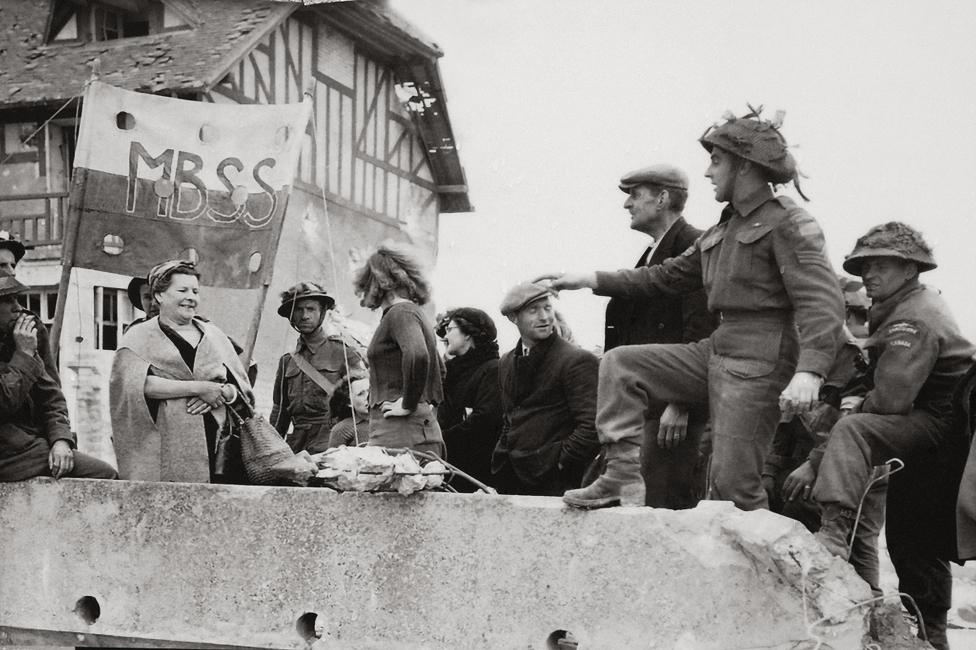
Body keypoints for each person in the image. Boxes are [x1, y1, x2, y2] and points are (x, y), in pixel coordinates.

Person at [539, 107, 844, 510]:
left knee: (733, 487)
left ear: (746, 167)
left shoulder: (788, 222)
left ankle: (770, 568)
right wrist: (590, 279)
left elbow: (821, 299)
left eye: (716, 161)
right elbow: (662, 277)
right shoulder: (723, 229)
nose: (707, 173)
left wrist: (810, 370)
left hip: (761, 359)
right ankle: (620, 478)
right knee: (620, 365)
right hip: (717, 348)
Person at [813, 223, 975, 649]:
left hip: (940, 427)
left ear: (909, 269)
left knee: (854, 430)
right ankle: (930, 637)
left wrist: (857, 406)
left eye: (880, 264)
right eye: (864, 265)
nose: (869, 273)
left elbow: (891, 401)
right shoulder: (904, 304)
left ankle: (834, 529)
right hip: (935, 430)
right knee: (913, 538)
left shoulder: (913, 318)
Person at [601, 164, 717, 509]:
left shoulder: (694, 247)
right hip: (648, 410)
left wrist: (683, 403)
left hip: (671, 415)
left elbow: (703, 331)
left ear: (663, 198)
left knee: (662, 508)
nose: (627, 205)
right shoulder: (653, 254)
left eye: (635, 195)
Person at [110, 260, 253, 483]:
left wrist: (221, 393)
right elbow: (135, 385)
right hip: (165, 441)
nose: (191, 297)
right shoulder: (137, 337)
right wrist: (199, 388)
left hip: (219, 444)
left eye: (195, 291)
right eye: (182, 290)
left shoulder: (214, 335)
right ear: (159, 295)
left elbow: (241, 387)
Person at [0, 271, 118, 481]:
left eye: (16, 299)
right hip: (10, 455)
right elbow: (4, 401)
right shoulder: (23, 347)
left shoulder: (18, 340)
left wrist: (60, 440)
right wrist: (24, 355)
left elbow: (51, 398)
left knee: (105, 474)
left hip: (28, 448)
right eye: (8, 301)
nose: (17, 308)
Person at [491, 283, 600, 496]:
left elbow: (592, 426)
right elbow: (510, 417)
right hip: (511, 477)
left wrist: (559, 462)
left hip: (554, 484)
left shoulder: (576, 360)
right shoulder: (505, 361)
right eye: (534, 310)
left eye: (547, 308)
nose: (544, 317)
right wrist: (503, 455)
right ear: (514, 318)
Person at [353, 243, 445, 456]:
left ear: (379, 281)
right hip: (415, 428)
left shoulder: (400, 312)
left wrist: (407, 403)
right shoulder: (416, 314)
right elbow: (440, 371)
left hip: (398, 429)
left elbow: (418, 355)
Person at [270, 282, 365, 453]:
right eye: (298, 310)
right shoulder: (287, 361)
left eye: (311, 309)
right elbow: (280, 411)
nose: (305, 316)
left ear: (322, 313)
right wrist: (271, 447)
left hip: (333, 442)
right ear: (291, 317)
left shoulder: (342, 352)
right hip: (297, 446)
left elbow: (364, 400)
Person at [435, 307, 503, 491]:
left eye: (450, 330)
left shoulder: (492, 369)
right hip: (451, 467)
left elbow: (485, 419)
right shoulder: (453, 372)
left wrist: (441, 440)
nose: (445, 337)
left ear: (467, 334)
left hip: (476, 472)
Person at [0, 231, 59, 383]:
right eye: (2, 265)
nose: (12, 272)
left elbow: (50, 390)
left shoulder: (29, 325)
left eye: (13, 265)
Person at [322, 371, 371, 451]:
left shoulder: (388, 419)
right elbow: (332, 460)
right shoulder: (342, 429)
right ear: (349, 402)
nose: (368, 397)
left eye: (370, 391)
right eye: (360, 394)